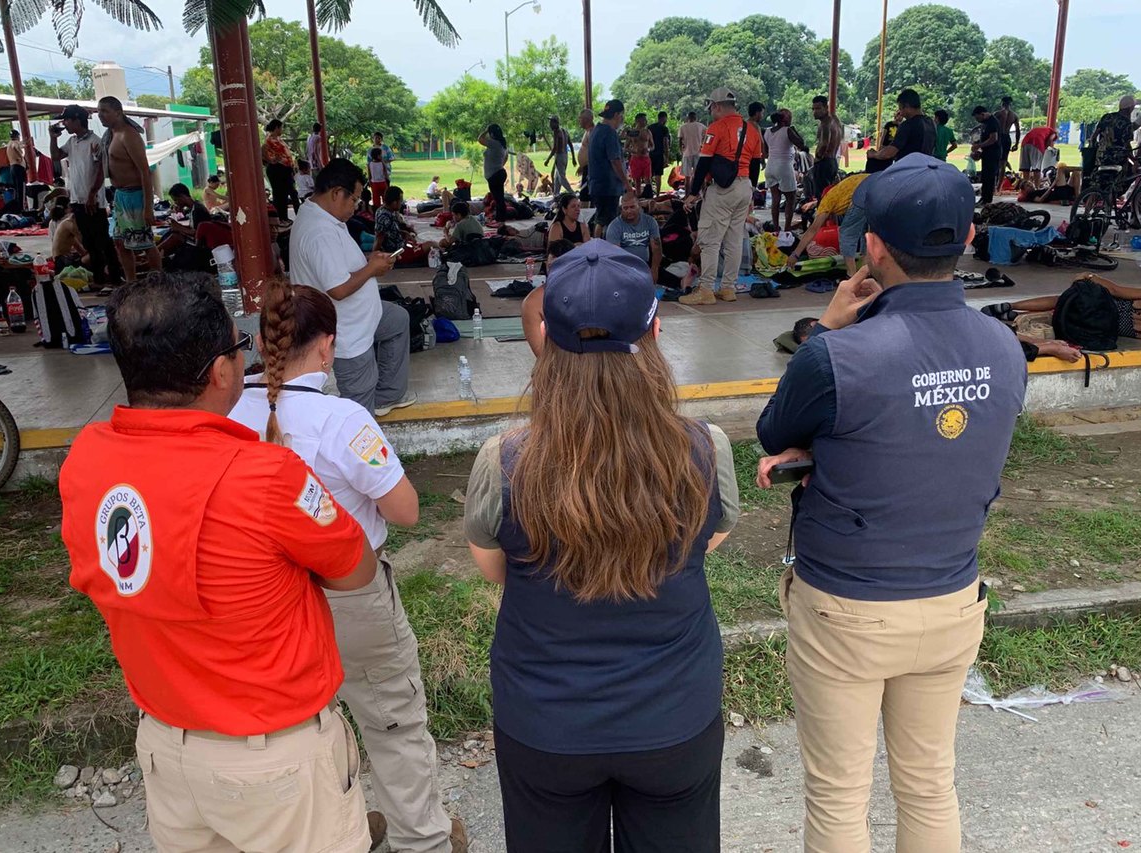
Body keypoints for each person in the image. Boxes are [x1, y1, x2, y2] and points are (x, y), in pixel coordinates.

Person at [757, 152, 1026, 853]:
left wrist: (827, 327)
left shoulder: (838, 356)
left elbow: (774, 431)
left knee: (839, 795)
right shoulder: (1004, 348)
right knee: (930, 784)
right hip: (952, 599)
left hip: (847, 607)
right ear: (970, 237)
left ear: (872, 246)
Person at [59, 272, 379, 852]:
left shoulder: (87, 461)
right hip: (276, 759)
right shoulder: (265, 474)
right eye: (240, 347)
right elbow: (356, 568)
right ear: (220, 372)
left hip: (166, 746)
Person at [465, 242, 740, 852]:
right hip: (675, 718)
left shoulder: (502, 460)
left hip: (545, 724)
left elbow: (494, 567)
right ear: (656, 332)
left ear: (545, 341)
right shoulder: (707, 446)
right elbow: (710, 539)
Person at [228, 279, 469, 853]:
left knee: (305, 726)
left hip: (262, 599)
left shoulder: (231, 411)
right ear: (328, 346)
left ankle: (346, 831)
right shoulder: (343, 420)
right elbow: (406, 510)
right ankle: (422, 842)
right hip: (349, 591)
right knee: (392, 719)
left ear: (261, 343)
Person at [290, 158, 414, 417]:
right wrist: (372, 269)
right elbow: (338, 290)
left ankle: (387, 396)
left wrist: (370, 262)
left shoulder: (323, 216)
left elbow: (336, 266)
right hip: (346, 328)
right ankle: (363, 429)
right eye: (354, 200)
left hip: (362, 315)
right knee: (360, 399)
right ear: (337, 193)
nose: (356, 207)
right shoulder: (319, 232)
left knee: (398, 319)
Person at [681, 87, 763, 305]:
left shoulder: (716, 128)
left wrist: (693, 193)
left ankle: (706, 289)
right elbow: (756, 164)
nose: (710, 112)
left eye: (711, 108)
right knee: (734, 240)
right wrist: (751, 191)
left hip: (723, 189)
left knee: (710, 240)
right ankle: (728, 288)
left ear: (717, 106)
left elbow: (704, 162)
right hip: (744, 186)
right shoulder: (752, 130)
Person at [987, 273, 1141, 343]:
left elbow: (1115, 289)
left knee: (1065, 300)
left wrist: (1090, 277)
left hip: (1094, 306)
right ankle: (1015, 317)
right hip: (1095, 326)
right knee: (1062, 319)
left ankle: (1012, 307)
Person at [49, 104, 123, 288]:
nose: (64, 124)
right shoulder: (72, 142)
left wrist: (91, 195)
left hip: (93, 201)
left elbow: (100, 171)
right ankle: (100, 278)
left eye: (66, 120)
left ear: (76, 120)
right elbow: (55, 156)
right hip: (77, 200)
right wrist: (53, 138)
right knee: (90, 242)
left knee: (102, 241)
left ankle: (114, 277)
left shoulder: (95, 142)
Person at [98, 96, 161, 284]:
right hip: (120, 195)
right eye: (99, 111)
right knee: (120, 242)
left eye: (104, 111)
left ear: (118, 112)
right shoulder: (111, 135)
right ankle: (131, 283)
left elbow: (145, 171)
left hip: (136, 195)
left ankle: (160, 282)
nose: (100, 115)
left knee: (145, 243)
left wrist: (148, 207)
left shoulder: (129, 135)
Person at [787, 173, 870, 276]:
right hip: (876, 184)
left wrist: (795, 254)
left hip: (864, 191)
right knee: (867, 233)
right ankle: (866, 270)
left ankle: (851, 275)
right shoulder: (840, 193)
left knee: (846, 234)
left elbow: (813, 230)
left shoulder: (826, 204)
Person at [519, 238, 578, 357]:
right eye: (553, 267)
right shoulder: (533, 302)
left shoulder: (591, 294)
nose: (558, 273)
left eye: (563, 267)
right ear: (546, 265)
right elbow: (541, 353)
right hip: (556, 362)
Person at [588, 100, 630, 235]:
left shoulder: (596, 130)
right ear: (617, 115)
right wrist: (626, 183)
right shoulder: (609, 133)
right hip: (608, 186)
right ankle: (603, 245)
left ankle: (599, 243)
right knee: (606, 221)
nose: (622, 119)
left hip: (597, 185)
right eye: (622, 115)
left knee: (601, 218)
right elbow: (615, 161)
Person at [868, 89, 937, 167]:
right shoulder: (931, 123)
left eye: (901, 109)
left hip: (908, 170)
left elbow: (889, 153)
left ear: (907, 106)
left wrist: (874, 154)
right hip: (925, 168)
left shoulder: (908, 125)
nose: (901, 113)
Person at [606, 191, 662, 282]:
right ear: (621, 209)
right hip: (624, 268)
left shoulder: (650, 222)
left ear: (639, 206)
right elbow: (615, 256)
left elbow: (656, 249)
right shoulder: (614, 226)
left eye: (632, 207)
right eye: (625, 208)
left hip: (645, 265)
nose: (629, 211)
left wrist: (654, 269)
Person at [158, 183, 213, 271]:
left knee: (175, 237)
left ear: (182, 196)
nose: (175, 203)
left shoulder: (198, 210)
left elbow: (197, 232)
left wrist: (179, 227)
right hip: (196, 240)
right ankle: (157, 255)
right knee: (171, 232)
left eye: (176, 200)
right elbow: (193, 227)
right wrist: (178, 225)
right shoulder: (194, 207)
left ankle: (153, 256)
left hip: (201, 245)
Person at [766, 109, 806, 231]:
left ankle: (776, 228)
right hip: (784, 167)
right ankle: (787, 229)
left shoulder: (767, 131)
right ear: (785, 119)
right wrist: (793, 129)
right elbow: (801, 144)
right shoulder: (787, 130)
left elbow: (766, 150)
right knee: (791, 198)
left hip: (770, 166)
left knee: (776, 199)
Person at [374, 186, 434, 264]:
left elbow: (390, 231)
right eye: (401, 201)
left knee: (424, 245)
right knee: (431, 244)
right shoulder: (383, 216)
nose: (401, 204)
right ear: (394, 202)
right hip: (398, 253)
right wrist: (374, 258)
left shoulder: (387, 211)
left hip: (401, 246)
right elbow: (379, 238)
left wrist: (405, 233)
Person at [1090, 95, 1139, 176]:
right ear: (1130, 107)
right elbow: (1127, 145)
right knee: (1129, 176)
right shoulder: (1127, 123)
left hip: (1101, 157)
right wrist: (1135, 161)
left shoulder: (1106, 117)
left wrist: (1095, 149)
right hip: (1117, 159)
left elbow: (1094, 136)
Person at [263, 119, 299, 219]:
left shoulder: (278, 139)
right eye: (281, 128)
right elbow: (267, 152)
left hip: (285, 169)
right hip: (278, 169)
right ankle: (281, 217)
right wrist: (272, 160)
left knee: (289, 193)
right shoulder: (270, 140)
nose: (281, 130)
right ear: (277, 128)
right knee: (280, 195)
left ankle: (286, 217)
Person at [971, 105, 1003, 205]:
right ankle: (984, 197)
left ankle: (987, 199)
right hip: (986, 152)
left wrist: (979, 146)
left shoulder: (992, 122)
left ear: (983, 114)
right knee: (985, 176)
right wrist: (979, 151)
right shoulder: (985, 123)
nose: (978, 120)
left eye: (978, 118)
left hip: (993, 153)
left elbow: (993, 138)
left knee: (989, 176)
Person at [479, 124, 510, 225]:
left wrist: (486, 130)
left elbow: (480, 139)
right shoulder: (502, 144)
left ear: (492, 134)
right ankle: (500, 219)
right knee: (499, 198)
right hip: (498, 172)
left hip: (494, 175)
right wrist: (499, 165)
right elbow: (506, 157)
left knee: (498, 199)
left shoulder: (494, 143)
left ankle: (500, 220)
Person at [812, 95, 843, 190]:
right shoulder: (835, 120)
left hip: (824, 162)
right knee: (828, 192)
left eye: (818, 108)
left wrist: (818, 157)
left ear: (826, 108)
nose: (815, 112)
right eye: (813, 109)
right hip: (832, 161)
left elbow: (825, 143)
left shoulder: (825, 123)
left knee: (821, 193)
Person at [49, 201, 89, 273]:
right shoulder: (70, 224)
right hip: (62, 261)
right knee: (94, 255)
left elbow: (79, 247)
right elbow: (85, 242)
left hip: (62, 259)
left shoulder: (68, 226)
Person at [623, 112, 654, 197]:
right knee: (637, 181)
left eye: (646, 120)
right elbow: (625, 147)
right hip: (635, 159)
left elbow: (652, 146)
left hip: (646, 158)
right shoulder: (631, 133)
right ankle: (638, 197)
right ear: (637, 121)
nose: (646, 122)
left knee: (648, 179)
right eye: (643, 120)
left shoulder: (648, 132)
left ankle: (648, 197)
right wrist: (634, 150)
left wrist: (648, 149)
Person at [545, 116, 575, 196]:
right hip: (565, 156)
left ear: (556, 123)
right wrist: (573, 158)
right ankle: (556, 195)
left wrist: (548, 159)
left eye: (551, 123)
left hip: (559, 156)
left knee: (561, 178)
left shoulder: (557, 132)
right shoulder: (564, 131)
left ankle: (572, 193)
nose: (550, 125)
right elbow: (570, 144)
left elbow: (555, 148)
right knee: (557, 178)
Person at [995, 96, 1021, 182]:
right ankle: (999, 185)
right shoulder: (1014, 116)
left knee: (995, 160)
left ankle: (994, 182)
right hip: (1007, 138)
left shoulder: (998, 114)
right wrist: (1016, 144)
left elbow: (988, 124)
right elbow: (1018, 130)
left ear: (1002, 103)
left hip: (999, 137)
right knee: (1003, 162)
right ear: (1010, 104)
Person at [648, 111, 672, 196]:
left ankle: (649, 192)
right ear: (664, 118)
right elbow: (665, 142)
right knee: (658, 174)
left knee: (649, 174)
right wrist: (667, 155)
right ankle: (657, 194)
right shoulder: (664, 128)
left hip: (650, 153)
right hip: (659, 153)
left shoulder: (650, 127)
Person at [679, 110, 706, 181]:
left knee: (687, 177)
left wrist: (681, 151)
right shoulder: (701, 126)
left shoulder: (683, 127)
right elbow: (706, 137)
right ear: (696, 118)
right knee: (699, 175)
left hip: (687, 153)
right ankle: (701, 188)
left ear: (688, 118)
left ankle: (688, 189)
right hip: (698, 153)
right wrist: (703, 146)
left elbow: (680, 140)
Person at [575, 108, 596, 192]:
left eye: (580, 118)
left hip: (589, 168)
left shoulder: (592, 132)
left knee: (585, 194)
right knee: (585, 194)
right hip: (586, 167)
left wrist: (584, 165)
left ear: (586, 119)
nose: (579, 121)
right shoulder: (587, 131)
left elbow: (593, 152)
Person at [6, 129, 27, 208]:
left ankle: (16, 207)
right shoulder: (15, 143)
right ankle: (21, 208)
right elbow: (16, 145)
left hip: (12, 168)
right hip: (18, 167)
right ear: (18, 136)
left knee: (16, 189)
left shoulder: (9, 144)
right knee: (21, 189)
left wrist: (22, 143)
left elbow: (18, 144)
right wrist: (21, 148)